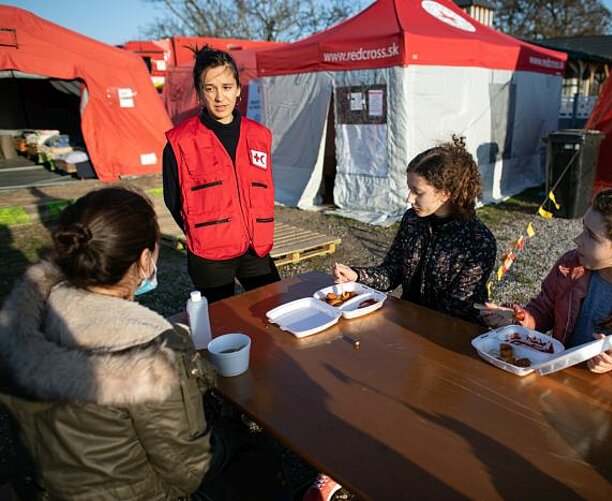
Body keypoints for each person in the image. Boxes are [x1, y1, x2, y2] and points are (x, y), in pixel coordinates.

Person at [0, 187, 282, 499]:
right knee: (260, 462)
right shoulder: (150, 352)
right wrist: (237, 433)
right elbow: (190, 469)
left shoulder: (25, 321)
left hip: (43, 488)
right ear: (145, 260)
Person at [481, 188, 612, 390]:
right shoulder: (572, 266)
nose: (577, 240)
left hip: (608, 405)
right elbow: (543, 311)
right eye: (583, 228)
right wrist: (517, 319)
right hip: (556, 384)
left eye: (591, 235)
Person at [332, 135, 497, 324]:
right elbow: (392, 272)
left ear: (445, 194)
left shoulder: (478, 241)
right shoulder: (413, 220)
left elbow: (455, 309)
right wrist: (357, 276)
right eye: (409, 189)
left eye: (417, 192)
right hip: (408, 324)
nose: (409, 199)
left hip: (451, 336)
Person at [163, 46, 279, 304]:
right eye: (210, 88)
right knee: (220, 328)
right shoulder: (179, 142)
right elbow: (173, 200)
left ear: (238, 89)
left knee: (275, 310)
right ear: (199, 93)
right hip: (209, 255)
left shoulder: (260, 136)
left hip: (255, 249)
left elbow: (264, 187)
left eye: (226, 87)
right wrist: (206, 230)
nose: (219, 97)